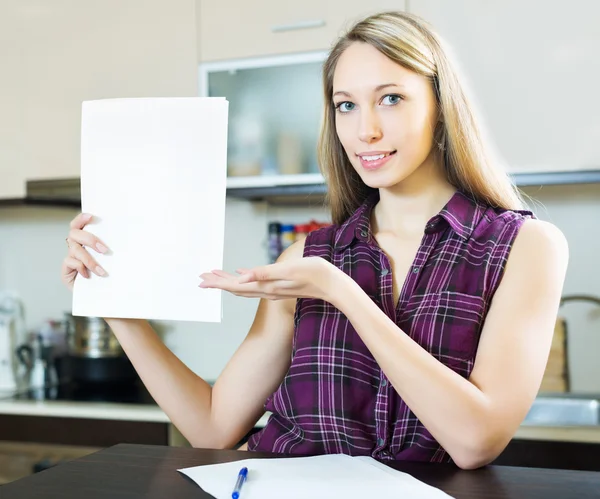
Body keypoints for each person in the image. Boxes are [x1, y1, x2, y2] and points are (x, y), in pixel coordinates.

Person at [61, 11, 568, 469]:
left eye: (390, 98)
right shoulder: (308, 256)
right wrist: (116, 304)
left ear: (441, 105)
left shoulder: (525, 248)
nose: (364, 129)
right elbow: (212, 427)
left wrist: (340, 291)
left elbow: (476, 442)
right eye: (346, 105)